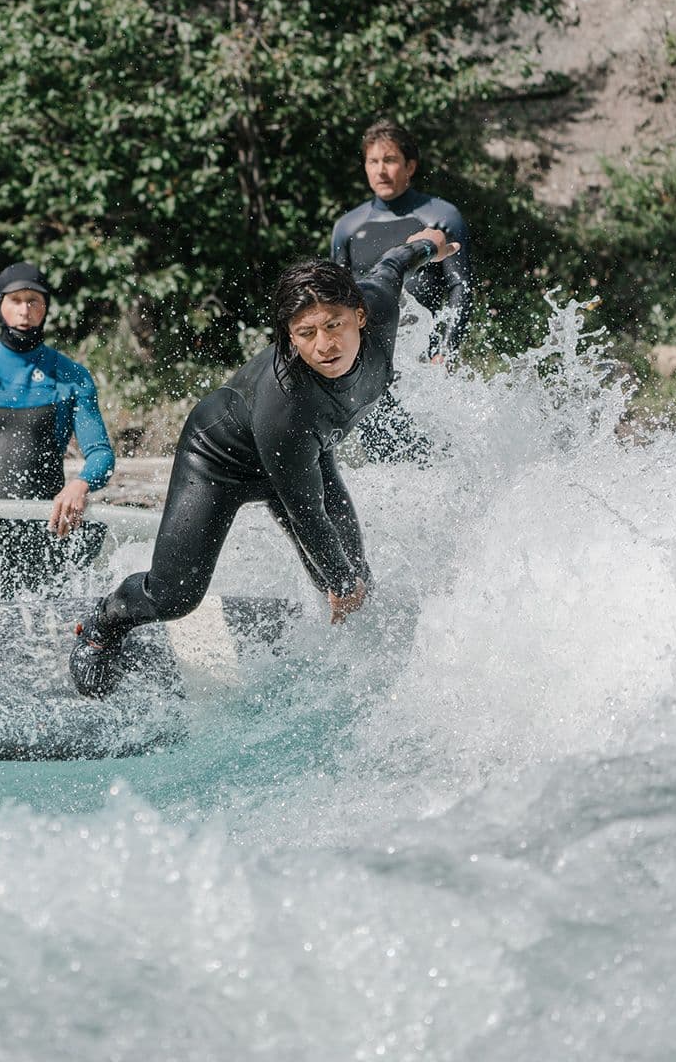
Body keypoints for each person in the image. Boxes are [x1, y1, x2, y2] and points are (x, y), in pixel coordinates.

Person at [68, 232, 457, 698]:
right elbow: (305, 511)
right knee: (174, 597)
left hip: (307, 455)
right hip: (219, 461)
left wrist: (430, 245)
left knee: (357, 576)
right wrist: (338, 582)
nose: (324, 346)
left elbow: (394, 262)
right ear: (290, 337)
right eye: (306, 334)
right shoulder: (286, 402)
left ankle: (356, 679)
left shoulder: (379, 305)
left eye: (334, 325)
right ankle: (102, 624)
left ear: (359, 315)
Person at [0, 263, 115, 539]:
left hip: (50, 530)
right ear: (0, 305)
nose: (24, 311)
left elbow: (101, 454)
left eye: (33, 301)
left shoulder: (73, 376)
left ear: (45, 308)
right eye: (15, 301)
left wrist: (80, 485)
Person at [330, 120, 471, 463]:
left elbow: (460, 287)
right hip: (371, 360)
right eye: (373, 162)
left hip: (422, 356)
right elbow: (336, 303)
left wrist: (444, 349)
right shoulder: (348, 227)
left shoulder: (441, 217)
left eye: (390, 160)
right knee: (383, 458)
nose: (381, 170)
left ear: (410, 165)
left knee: (435, 454)